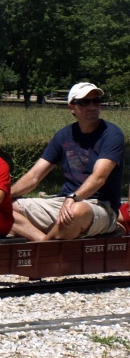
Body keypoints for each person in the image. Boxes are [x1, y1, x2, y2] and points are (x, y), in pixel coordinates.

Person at [11, 82, 125, 241]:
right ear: (71, 107)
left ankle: (47, 247)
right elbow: (33, 177)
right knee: (6, 208)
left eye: (96, 101)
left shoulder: (112, 134)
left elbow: (99, 178)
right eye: (84, 102)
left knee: (76, 212)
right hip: (64, 202)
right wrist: (3, 196)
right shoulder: (63, 136)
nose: (92, 106)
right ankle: (45, 243)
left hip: (101, 206)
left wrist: (73, 198)